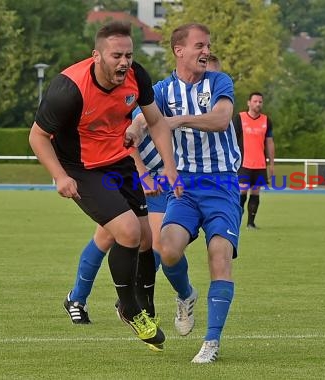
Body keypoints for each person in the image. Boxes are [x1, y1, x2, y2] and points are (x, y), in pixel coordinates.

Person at [28, 21, 182, 352]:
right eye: (116, 55)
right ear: (96, 55)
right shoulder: (69, 89)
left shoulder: (136, 76)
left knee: (145, 239)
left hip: (119, 161)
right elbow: (37, 136)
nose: (124, 62)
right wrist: (60, 176)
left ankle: (139, 304)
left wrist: (169, 168)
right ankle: (129, 308)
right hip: (80, 168)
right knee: (127, 231)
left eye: (128, 54)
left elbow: (155, 121)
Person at [63, 58, 226, 327]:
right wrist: (143, 173)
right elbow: (129, 134)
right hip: (133, 175)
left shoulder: (205, 111)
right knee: (107, 237)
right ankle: (77, 298)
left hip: (163, 182)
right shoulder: (164, 97)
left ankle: (133, 296)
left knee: (155, 242)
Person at [157, 23, 241, 364]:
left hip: (221, 183)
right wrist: (132, 132)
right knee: (168, 250)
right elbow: (140, 119)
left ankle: (211, 342)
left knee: (219, 254)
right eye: (199, 45)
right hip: (186, 186)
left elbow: (221, 120)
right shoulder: (162, 90)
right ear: (180, 51)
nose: (206, 51)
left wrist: (178, 121)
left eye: (208, 45)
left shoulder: (219, 82)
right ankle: (185, 294)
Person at [233, 92, 275, 229]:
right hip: (243, 163)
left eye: (260, 102)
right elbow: (232, 140)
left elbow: (269, 142)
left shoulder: (266, 120)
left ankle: (251, 223)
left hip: (260, 164)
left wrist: (271, 163)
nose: (258, 104)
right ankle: (236, 219)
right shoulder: (239, 118)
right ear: (249, 103)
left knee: (256, 192)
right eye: (255, 101)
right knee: (242, 191)